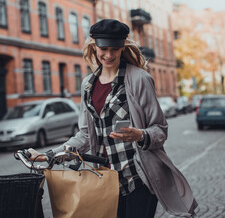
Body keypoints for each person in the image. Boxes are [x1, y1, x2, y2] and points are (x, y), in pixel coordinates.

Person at [28, 19, 197, 217]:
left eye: (115, 49)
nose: (109, 55)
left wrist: (140, 135)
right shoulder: (88, 85)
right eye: (104, 48)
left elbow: (160, 129)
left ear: (122, 48)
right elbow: (83, 136)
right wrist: (48, 155)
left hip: (137, 178)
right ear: (94, 46)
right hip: (106, 182)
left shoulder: (139, 79)